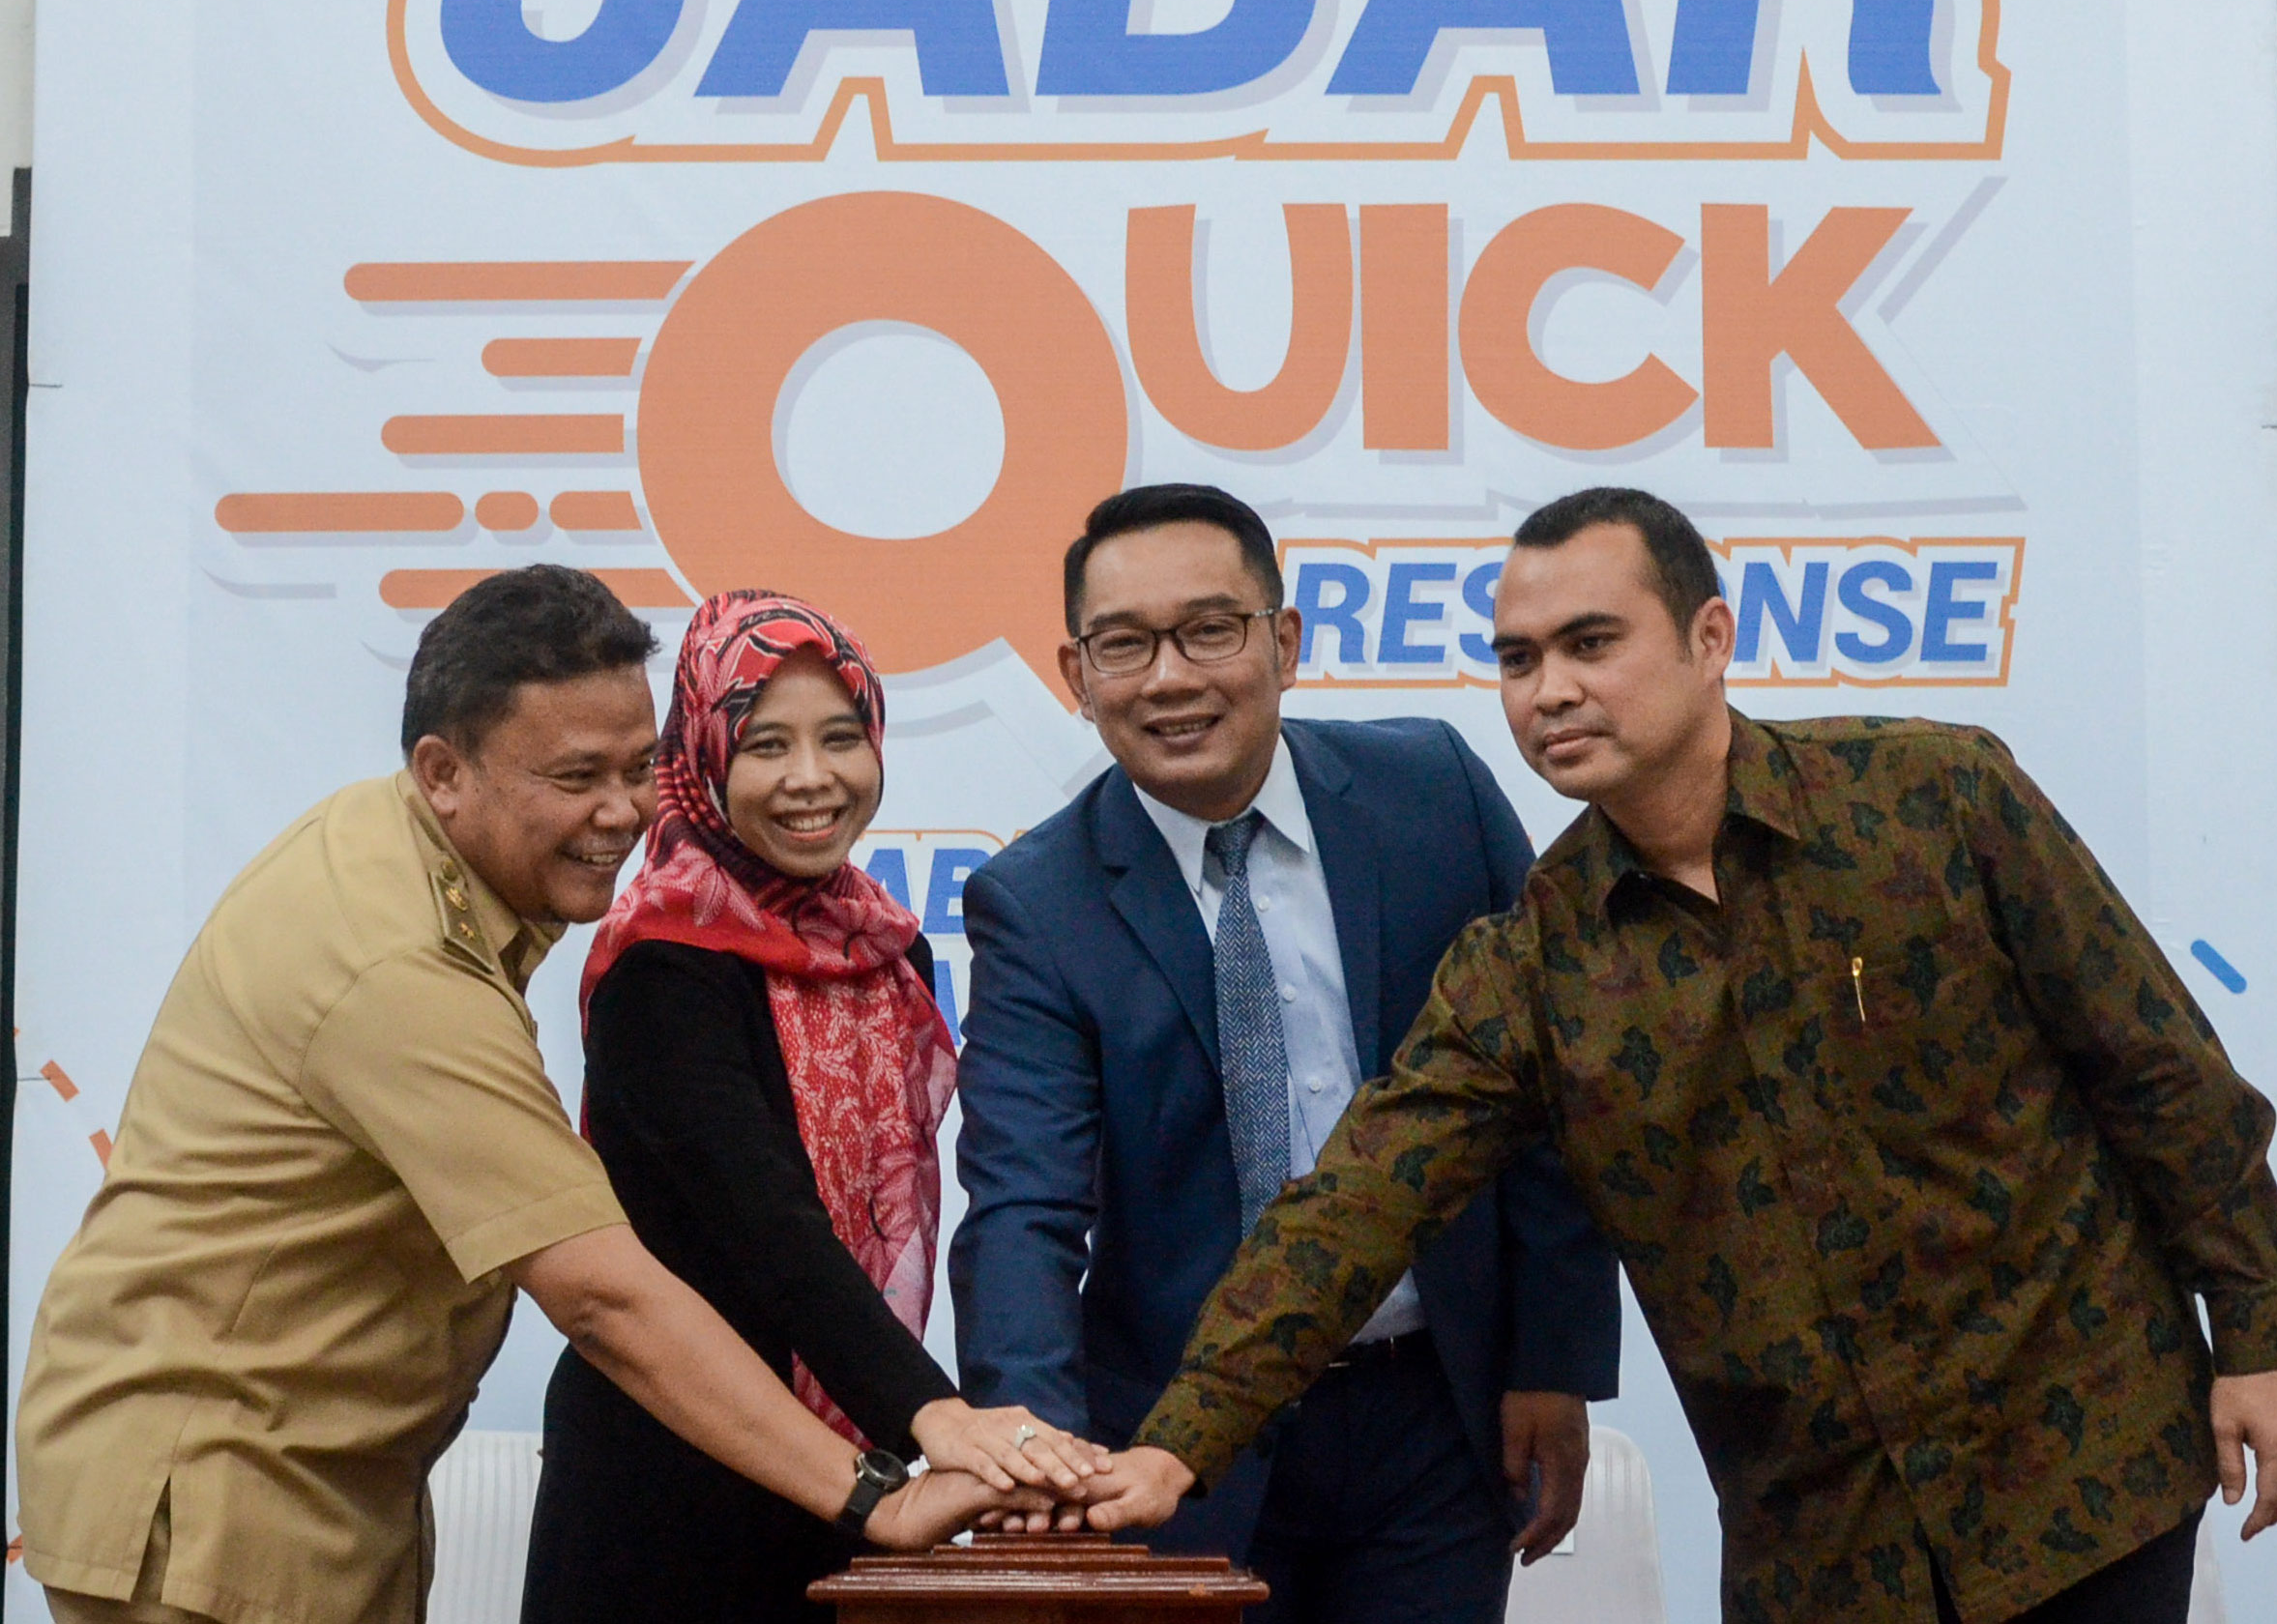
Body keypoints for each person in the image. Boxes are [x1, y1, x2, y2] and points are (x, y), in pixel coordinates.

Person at [1085, 486, 2277, 1624]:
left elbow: (2159, 1074)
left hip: (2079, 1462)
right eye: (1517, 660)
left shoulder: (1932, 797)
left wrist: (2252, 1336)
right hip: (1820, 1543)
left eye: (1590, 642)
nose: (1550, 690)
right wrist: (1181, 1438)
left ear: (1708, 636)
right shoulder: (1533, 962)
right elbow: (1353, 1206)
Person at [15, 566, 1046, 1624]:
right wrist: (877, 1489)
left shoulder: (409, 855)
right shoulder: (406, 962)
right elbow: (601, 1293)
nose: (621, 811)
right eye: (574, 776)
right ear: (443, 771)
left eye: (637, 766)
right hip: (218, 1489)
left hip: (315, 1477)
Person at [949, 483, 1620, 1624]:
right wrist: (1033, 1449)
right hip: (1167, 1446)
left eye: (1209, 628)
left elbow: (1549, 1092)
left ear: (1285, 642)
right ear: (1076, 674)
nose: (1169, 676)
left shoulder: (1432, 793)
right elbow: (1022, 1204)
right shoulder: (1036, 901)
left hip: (1433, 1419)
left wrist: (1550, 1356)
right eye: (1124, 644)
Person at [521, 590, 1098, 1624]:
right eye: (766, 744)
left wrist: (912, 1426)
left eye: (840, 737)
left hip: (849, 1469)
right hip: (672, 1478)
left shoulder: (884, 948)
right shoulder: (662, 961)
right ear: (702, 761)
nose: (811, 777)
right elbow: (769, 1229)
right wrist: (933, 1411)